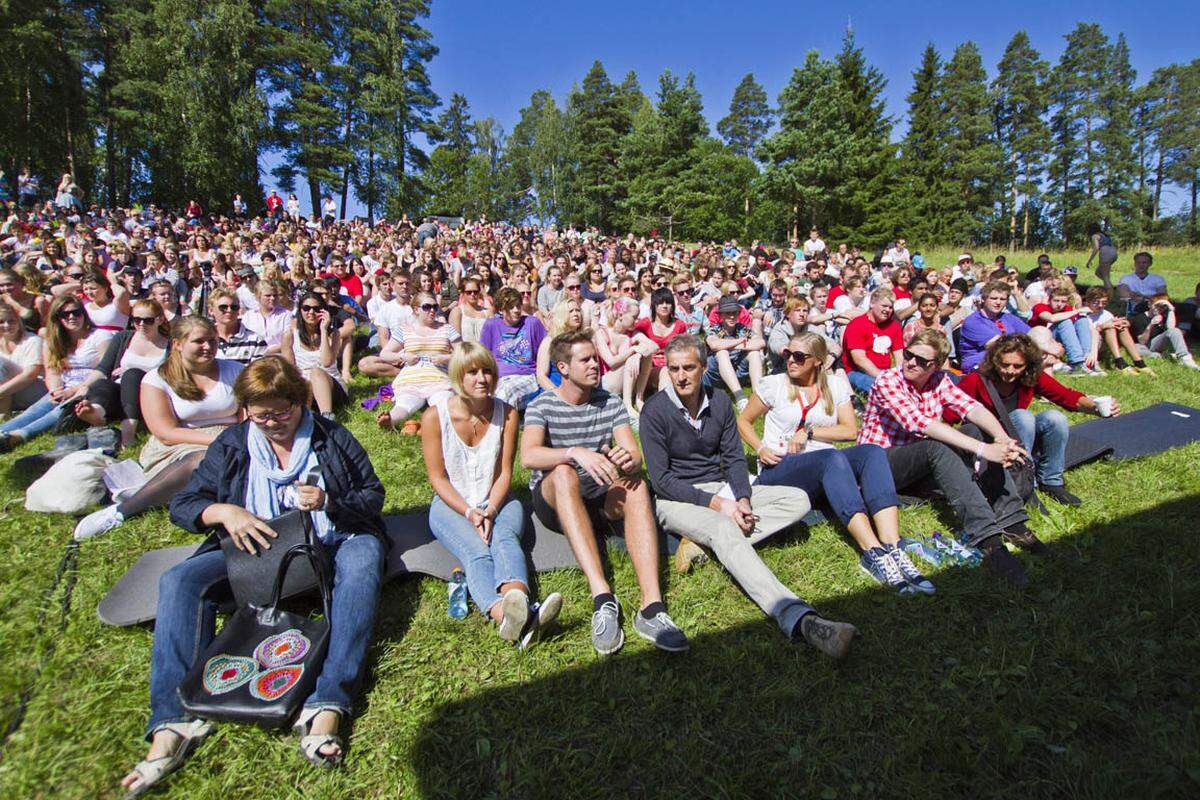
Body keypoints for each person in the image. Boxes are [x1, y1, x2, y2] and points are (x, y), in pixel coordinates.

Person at [119, 357, 386, 796]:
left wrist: (329, 500)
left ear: (300, 403)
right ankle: (171, 721)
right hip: (255, 547)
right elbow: (184, 505)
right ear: (245, 411)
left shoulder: (331, 436)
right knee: (179, 581)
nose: (275, 422)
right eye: (262, 415)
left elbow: (372, 495)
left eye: (284, 411)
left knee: (363, 560)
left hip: (333, 537)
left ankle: (328, 703)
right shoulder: (232, 444)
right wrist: (225, 512)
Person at [641, 335, 858, 657]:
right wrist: (719, 505)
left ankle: (702, 546)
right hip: (676, 498)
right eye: (673, 369)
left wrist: (741, 498)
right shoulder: (654, 411)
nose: (681, 376)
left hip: (723, 488)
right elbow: (661, 481)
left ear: (703, 368)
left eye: (689, 368)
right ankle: (798, 617)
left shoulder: (719, 403)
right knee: (723, 527)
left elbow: (734, 459)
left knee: (797, 499)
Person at [520, 330, 688, 655]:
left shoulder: (609, 403)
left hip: (598, 496)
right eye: (585, 360)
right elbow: (528, 456)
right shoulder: (542, 405)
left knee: (637, 486)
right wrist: (574, 452)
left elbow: (635, 457)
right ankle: (603, 598)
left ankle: (651, 608)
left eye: (595, 359)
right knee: (565, 473)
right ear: (563, 368)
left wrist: (626, 459)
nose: (595, 366)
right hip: (557, 501)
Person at [737, 331, 933, 594]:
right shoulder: (774, 385)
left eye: (798, 356)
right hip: (782, 467)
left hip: (825, 463)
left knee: (871, 452)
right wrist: (760, 448)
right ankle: (872, 552)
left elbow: (850, 430)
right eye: (787, 354)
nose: (790, 361)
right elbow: (743, 421)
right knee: (831, 458)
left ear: (818, 360)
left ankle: (893, 546)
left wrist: (810, 432)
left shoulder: (835, 386)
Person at [858, 328, 1039, 587]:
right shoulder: (888, 381)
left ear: (936, 365)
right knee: (940, 444)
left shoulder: (940, 380)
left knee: (973, 430)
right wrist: (982, 449)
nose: (911, 362)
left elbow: (972, 407)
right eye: (909, 355)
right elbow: (921, 424)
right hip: (879, 464)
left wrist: (1002, 438)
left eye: (921, 361)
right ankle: (989, 541)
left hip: (918, 460)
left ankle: (1013, 522)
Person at [422, 342, 562, 647]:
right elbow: (438, 478)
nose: (482, 378)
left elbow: (505, 473)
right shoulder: (434, 417)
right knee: (477, 551)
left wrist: (491, 509)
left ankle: (518, 603)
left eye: (487, 371)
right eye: (472, 372)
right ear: (459, 376)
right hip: (451, 504)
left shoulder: (508, 414)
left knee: (504, 539)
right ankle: (506, 615)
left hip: (499, 497)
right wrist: (470, 512)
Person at [72, 317, 245, 540]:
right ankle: (122, 511)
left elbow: (246, 416)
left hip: (233, 436)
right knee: (201, 460)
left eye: (212, 340)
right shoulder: (157, 379)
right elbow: (166, 432)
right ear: (178, 344)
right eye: (199, 341)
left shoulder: (237, 371)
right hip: (181, 443)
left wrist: (235, 440)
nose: (208, 347)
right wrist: (219, 442)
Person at [953, 335, 1119, 508]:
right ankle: (1025, 485)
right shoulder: (976, 379)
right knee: (1022, 416)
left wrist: (1095, 407)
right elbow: (950, 412)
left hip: (1020, 434)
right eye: (1004, 365)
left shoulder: (1032, 377)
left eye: (1017, 366)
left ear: (1028, 366)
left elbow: (1066, 396)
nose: (1010, 371)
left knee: (1055, 418)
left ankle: (1052, 481)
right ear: (995, 361)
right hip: (991, 441)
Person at [0, 296, 112, 452]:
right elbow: (52, 372)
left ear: (84, 314)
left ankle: (18, 436)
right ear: (57, 319)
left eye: (76, 312)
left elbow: (104, 369)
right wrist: (55, 390)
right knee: (35, 410)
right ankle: (3, 430)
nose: (72, 317)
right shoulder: (52, 341)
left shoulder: (100, 336)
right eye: (65, 314)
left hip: (90, 387)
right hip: (64, 386)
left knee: (56, 412)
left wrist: (72, 391)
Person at [70, 298, 170, 447]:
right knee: (102, 383)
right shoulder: (123, 337)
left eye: (148, 320)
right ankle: (96, 413)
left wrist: (141, 371)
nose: (141, 324)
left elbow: (173, 376)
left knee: (132, 375)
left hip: (149, 398)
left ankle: (128, 433)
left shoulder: (171, 344)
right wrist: (84, 386)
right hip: (119, 395)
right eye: (137, 320)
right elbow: (103, 368)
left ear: (160, 320)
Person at [377, 292, 459, 434]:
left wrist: (446, 358)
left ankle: (423, 426)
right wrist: (403, 356)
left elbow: (464, 353)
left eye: (435, 306)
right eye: (427, 307)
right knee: (404, 405)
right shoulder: (405, 329)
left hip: (439, 377)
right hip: (411, 377)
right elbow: (384, 354)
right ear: (416, 309)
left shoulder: (446, 329)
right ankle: (390, 420)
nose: (432, 310)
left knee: (443, 403)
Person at [478, 287, 546, 412]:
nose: (516, 310)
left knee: (505, 393)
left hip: (526, 376)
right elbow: (483, 356)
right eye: (510, 307)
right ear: (501, 310)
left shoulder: (532, 323)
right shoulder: (491, 325)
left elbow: (547, 349)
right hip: (498, 377)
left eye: (518, 306)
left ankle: (504, 429)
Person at [281, 292, 347, 416]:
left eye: (316, 309)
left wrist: (323, 330)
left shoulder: (333, 334)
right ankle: (304, 418)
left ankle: (327, 417)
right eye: (306, 308)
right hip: (304, 388)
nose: (311, 312)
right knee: (304, 382)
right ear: (300, 310)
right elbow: (290, 371)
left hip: (331, 387)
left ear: (323, 311)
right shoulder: (290, 335)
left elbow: (327, 362)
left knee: (316, 372)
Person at [631, 287, 688, 410]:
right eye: (660, 302)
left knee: (667, 372)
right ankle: (665, 408)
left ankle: (665, 406)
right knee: (664, 372)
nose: (664, 306)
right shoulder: (645, 323)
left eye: (668, 302)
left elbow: (684, 349)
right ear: (654, 305)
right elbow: (633, 335)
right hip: (648, 368)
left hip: (672, 366)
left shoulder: (679, 325)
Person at [704, 294, 764, 410]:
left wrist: (736, 345)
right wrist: (741, 341)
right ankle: (740, 398)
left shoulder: (742, 328)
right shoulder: (713, 329)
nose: (732, 316)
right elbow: (714, 345)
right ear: (721, 315)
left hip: (736, 370)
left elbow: (761, 343)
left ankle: (758, 396)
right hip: (715, 375)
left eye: (734, 313)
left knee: (754, 353)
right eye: (727, 313)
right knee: (722, 353)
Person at [842, 288, 903, 394]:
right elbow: (859, 360)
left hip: (884, 372)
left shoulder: (894, 326)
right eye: (884, 306)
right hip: (856, 372)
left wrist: (900, 377)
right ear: (872, 304)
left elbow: (899, 357)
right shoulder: (857, 325)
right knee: (885, 389)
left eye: (890, 307)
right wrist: (883, 378)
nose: (888, 310)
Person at [1031, 287, 1098, 375]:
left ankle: (1087, 363)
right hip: (1038, 342)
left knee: (1082, 320)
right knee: (1064, 322)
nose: (1059, 304)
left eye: (1063, 302)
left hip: (1058, 340)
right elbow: (1051, 318)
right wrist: (1078, 310)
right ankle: (1077, 363)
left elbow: (1093, 330)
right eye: (1056, 300)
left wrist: (1093, 353)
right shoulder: (1040, 307)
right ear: (1049, 300)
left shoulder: (1068, 309)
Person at [0, 303, 45, 416]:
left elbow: (30, 374)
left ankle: (3, 414)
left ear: (19, 322)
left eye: (11, 321)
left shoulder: (33, 340)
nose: (6, 325)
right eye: (1, 322)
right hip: (11, 393)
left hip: (34, 391)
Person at [535, 298, 586, 391]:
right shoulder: (549, 341)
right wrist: (558, 394)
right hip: (554, 391)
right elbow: (541, 376)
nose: (575, 314)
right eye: (570, 311)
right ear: (562, 315)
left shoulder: (584, 341)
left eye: (578, 310)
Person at [209, 289, 268, 365]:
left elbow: (257, 372)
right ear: (211, 310)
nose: (229, 310)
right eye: (223, 307)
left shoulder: (256, 340)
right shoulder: (205, 340)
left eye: (234, 307)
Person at [242, 279, 291, 354]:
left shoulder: (286, 315)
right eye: (268, 296)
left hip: (279, 358)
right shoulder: (248, 316)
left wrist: (266, 351)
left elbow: (290, 341)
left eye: (275, 295)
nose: (272, 298)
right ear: (258, 296)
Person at [1085, 223, 1118, 291]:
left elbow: (1096, 248)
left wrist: (1089, 260)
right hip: (1114, 253)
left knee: (1105, 276)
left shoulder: (1095, 236)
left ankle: (1112, 295)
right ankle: (1110, 286)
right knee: (1098, 272)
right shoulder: (1105, 235)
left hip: (1105, 253)